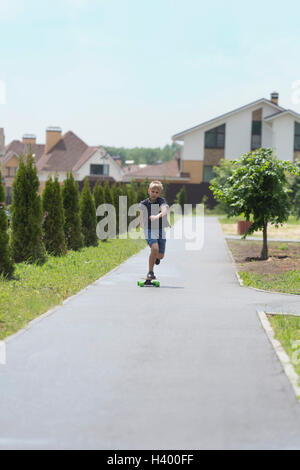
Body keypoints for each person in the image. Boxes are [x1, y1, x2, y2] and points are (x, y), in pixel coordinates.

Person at [139, 180, 169, 280]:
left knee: (160, 256)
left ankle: (156, 257)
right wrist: (142, 224)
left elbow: (164, 211)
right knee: (154, 248)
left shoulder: (161, 201)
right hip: (149, 230)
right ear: (149, 191)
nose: (154, 194)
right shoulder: (143, 203)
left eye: (157, 192)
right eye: (153, 191)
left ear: (159, 193)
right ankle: (150, 272)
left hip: (160, 230)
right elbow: (141, 214)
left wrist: (157, 216)